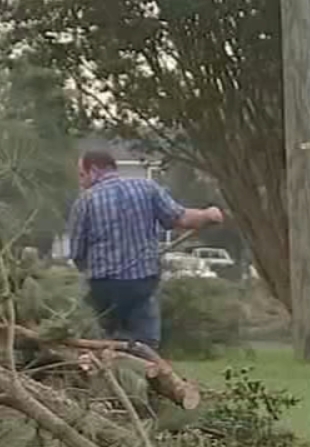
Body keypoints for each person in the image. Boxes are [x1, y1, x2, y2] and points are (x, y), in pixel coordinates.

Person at [66, 149, 225, 352]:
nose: (81, 182)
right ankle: (148, 370)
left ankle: (112, 373)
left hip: (103, 287)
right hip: (140, 283)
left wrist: (89, 270)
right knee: (145, 345)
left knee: (106, 343)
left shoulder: (84, 202)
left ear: (95, 170)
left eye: (82, 175)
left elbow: (77, 252)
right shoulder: (147, 188)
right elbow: (181, 218)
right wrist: (208, 214)